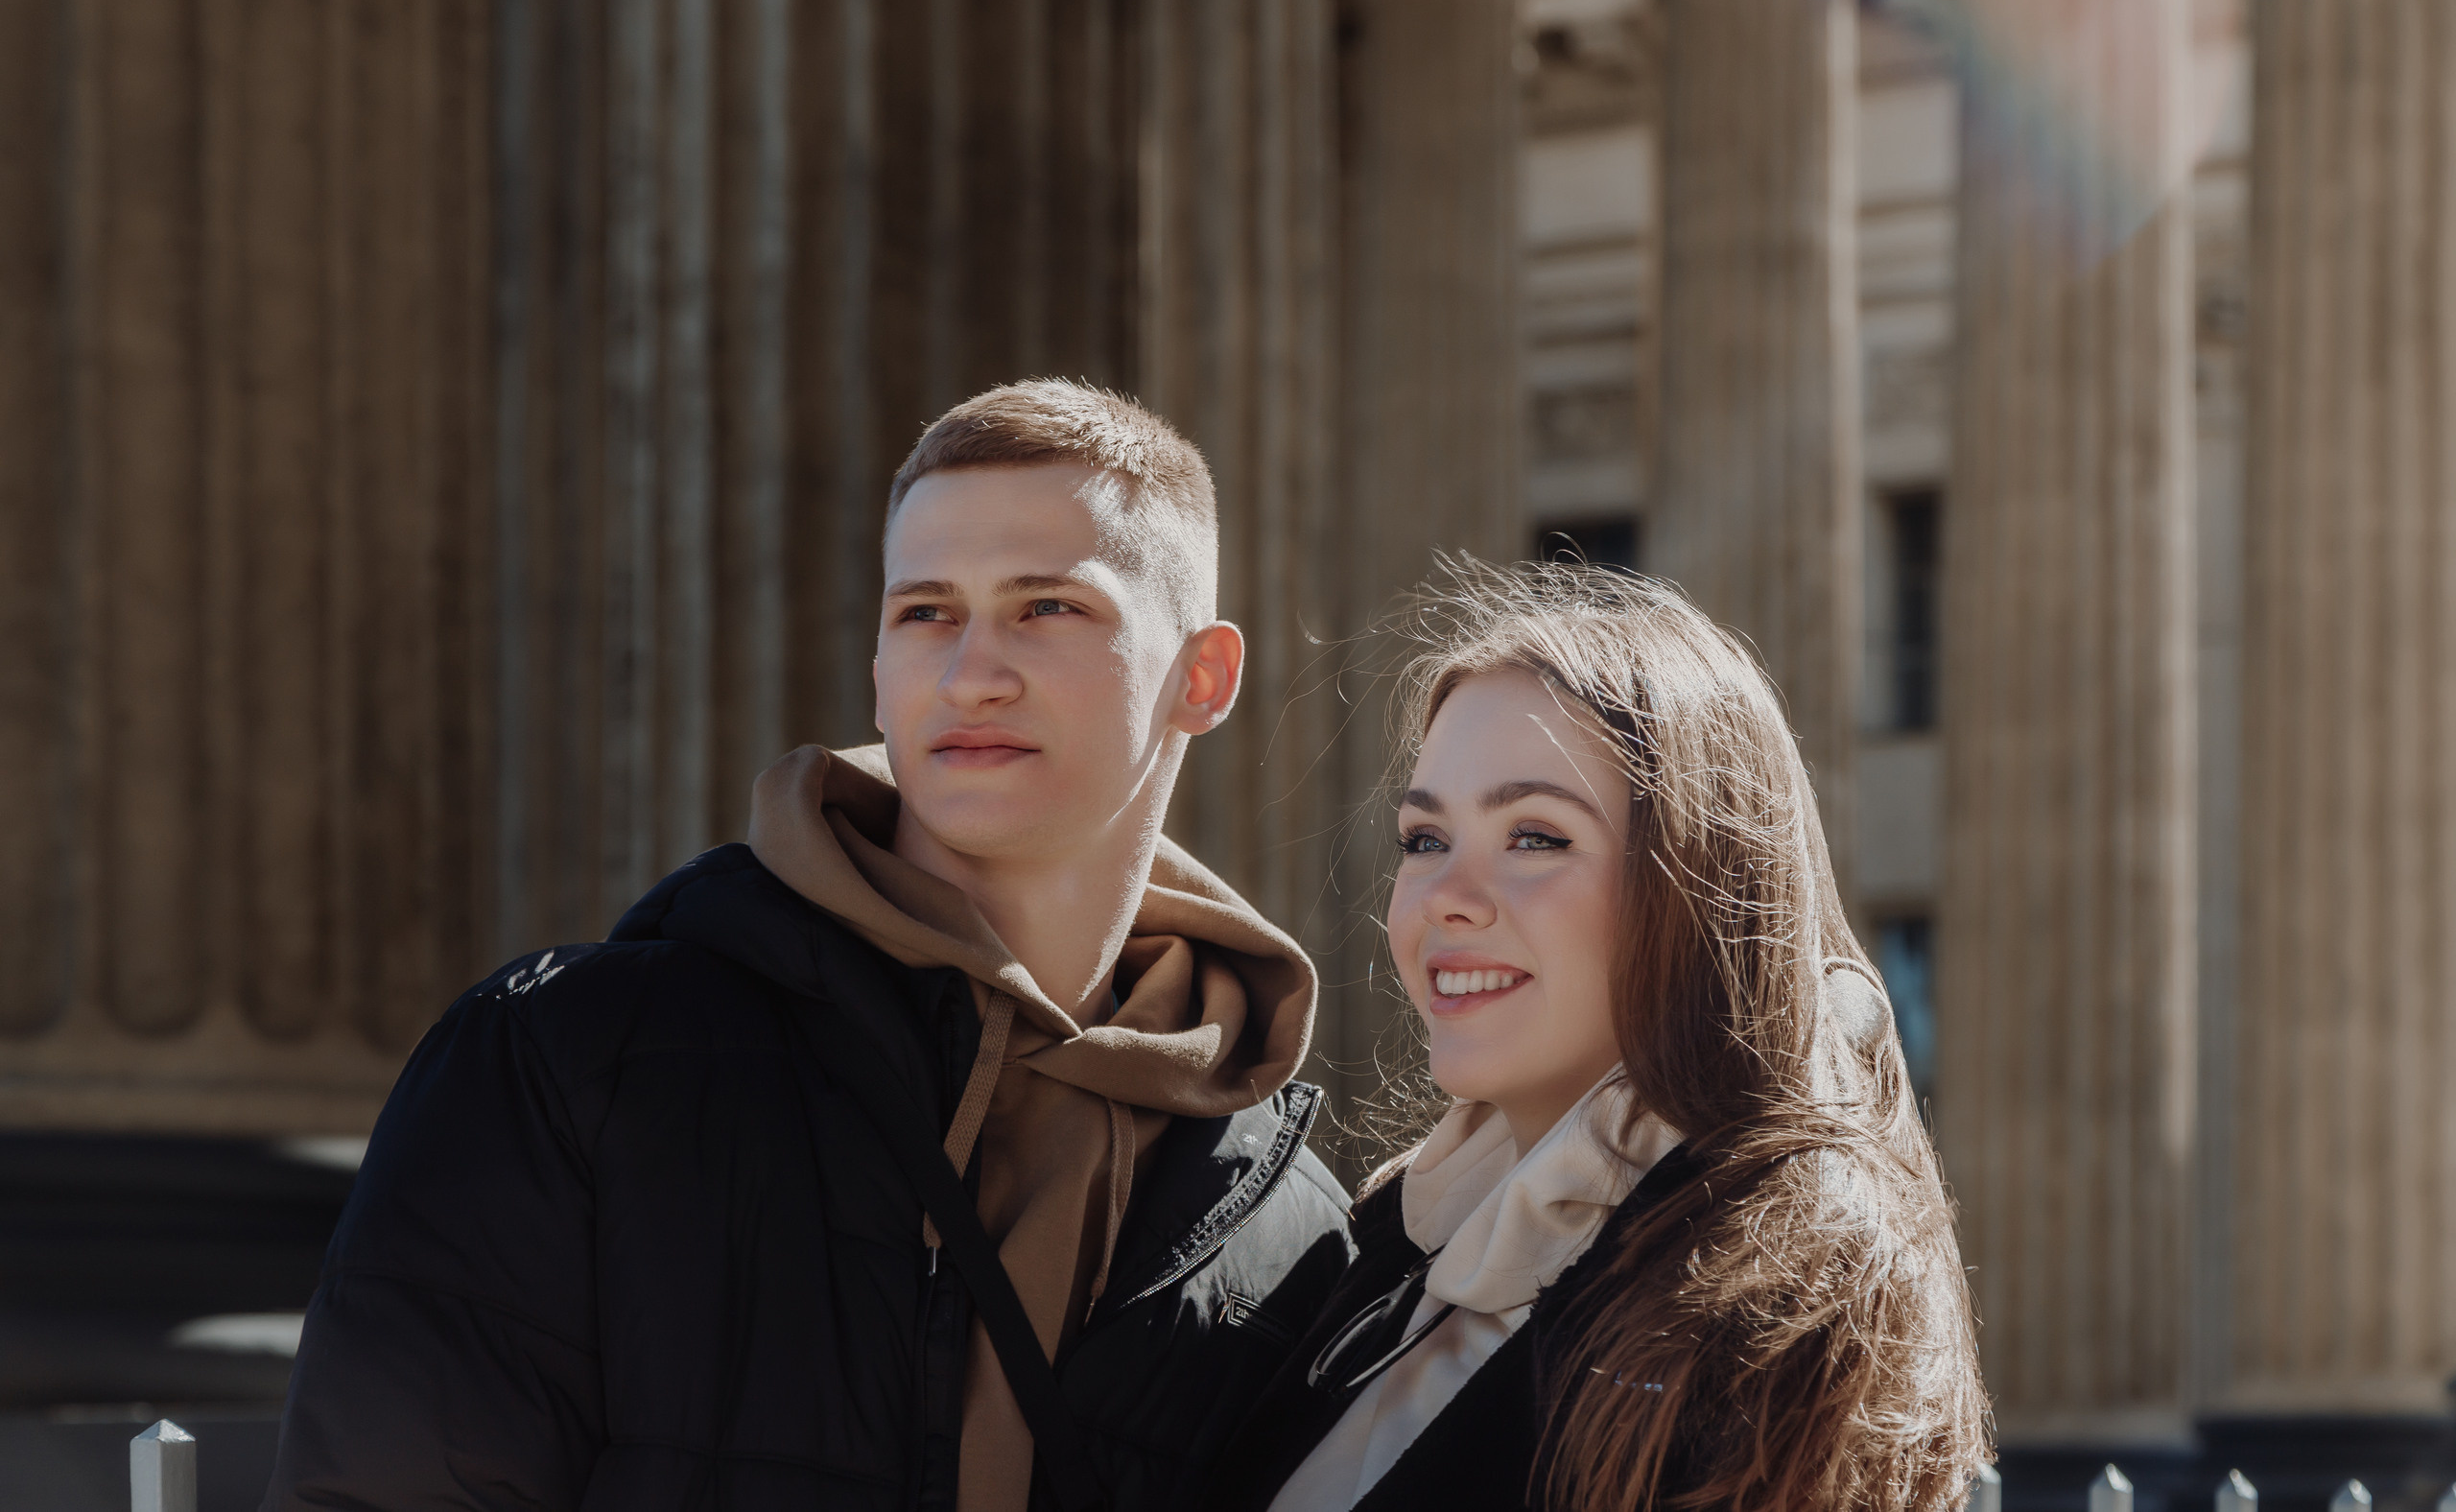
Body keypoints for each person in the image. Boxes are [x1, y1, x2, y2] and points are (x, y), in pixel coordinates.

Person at [264, 380, 1354, 1512]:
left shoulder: (1289, 1222)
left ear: (1203, 677)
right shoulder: (568, 1058)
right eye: (925, 611)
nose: (970, 670)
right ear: (878, 669)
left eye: (1047, 608)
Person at [1204, 559, 1990, 1512]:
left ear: (1701, 882)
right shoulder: (1381, 1248)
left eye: (1535, 837)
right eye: (1424, 840)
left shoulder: (1782, 1311)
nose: (1445, 899)